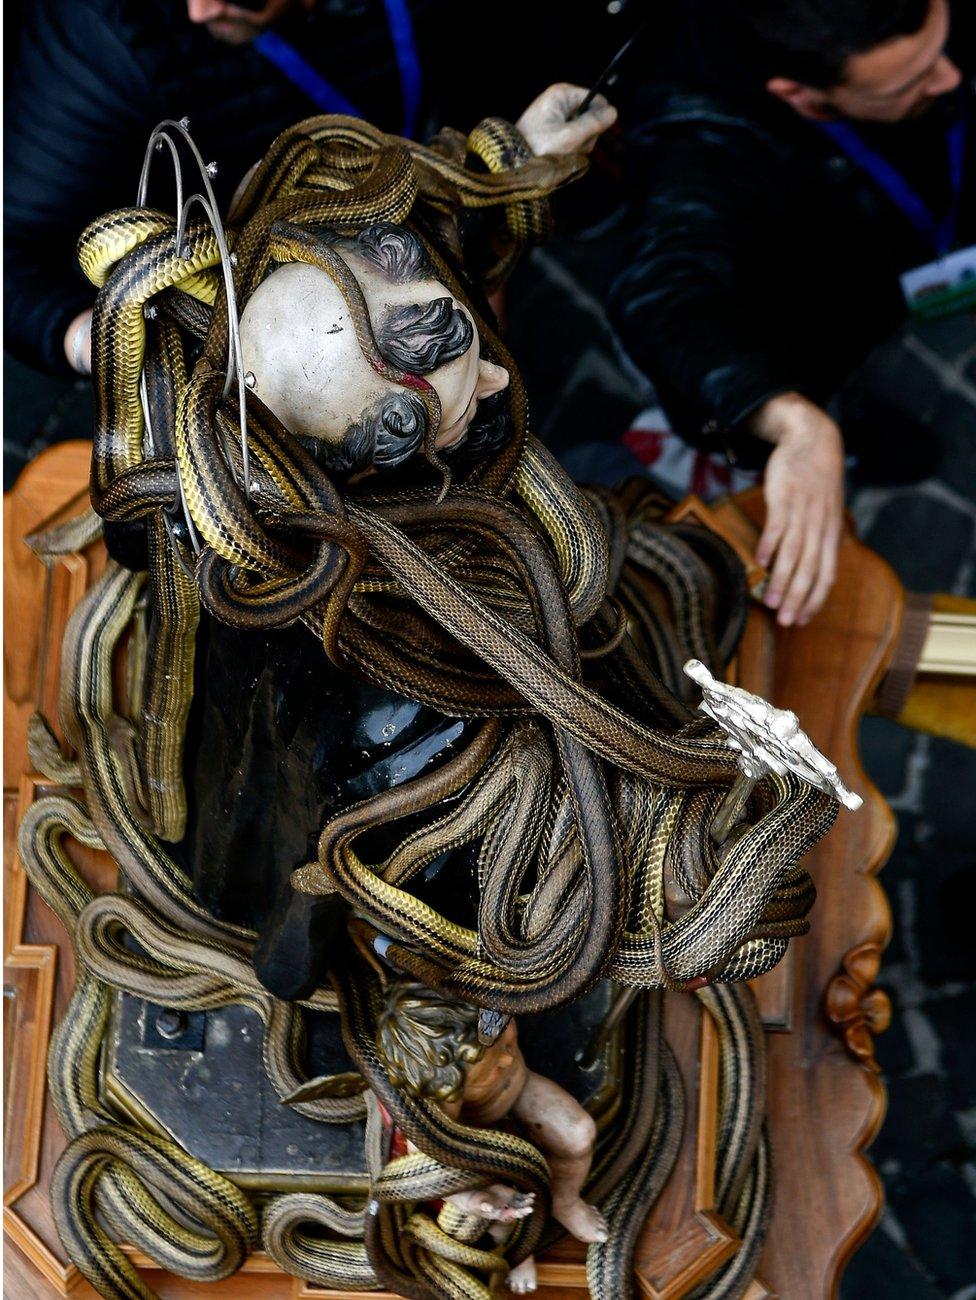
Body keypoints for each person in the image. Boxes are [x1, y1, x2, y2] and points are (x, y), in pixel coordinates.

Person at [3, 0, 615, 386]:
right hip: (256, 319)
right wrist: (106, 343)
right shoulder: (92, 36)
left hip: (417, 230)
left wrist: (512, 164)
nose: (198, 9)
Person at [609, 0, 973, 629]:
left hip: (875, 269)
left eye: (940, 45)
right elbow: (664, 293)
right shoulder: (700, 125)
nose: (949, 78)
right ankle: (840, 427)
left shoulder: (907, 48)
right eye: (910, 81)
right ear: (803, 97)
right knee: (820, 385)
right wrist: (795, 423)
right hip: (787, 319)